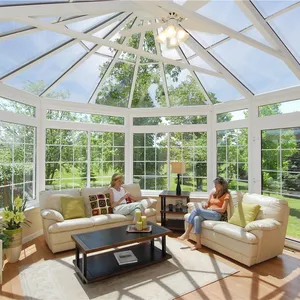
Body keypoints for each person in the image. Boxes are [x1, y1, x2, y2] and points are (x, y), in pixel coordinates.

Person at [179, 177, 230, 250]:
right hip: (209, 212)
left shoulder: (226, 195)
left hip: (217, 214)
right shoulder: (213, 193)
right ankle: (198, 244)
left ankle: (187, 233)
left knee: (196, 211)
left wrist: (212, 208)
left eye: (216, 184)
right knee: (197, 218)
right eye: (214, 184)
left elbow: (223, 209)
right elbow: (207, 205)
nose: (215, 186)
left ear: (222, 185)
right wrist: (204, 204)